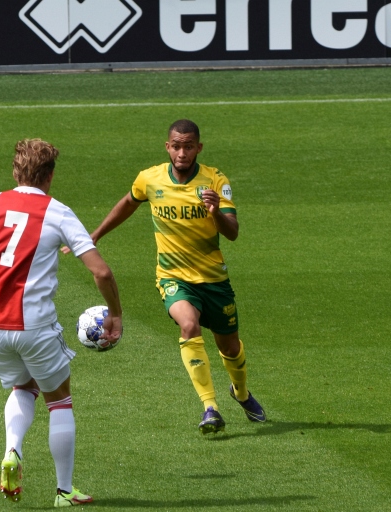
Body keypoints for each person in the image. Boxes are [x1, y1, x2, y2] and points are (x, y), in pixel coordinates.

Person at [0, 139, 123, 507]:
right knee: (60, 400)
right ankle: (64, 490)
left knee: (23, 387)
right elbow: (100, 271)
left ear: (14, 171)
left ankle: (13, 449)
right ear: (50, 175)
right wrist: (115, 312)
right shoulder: (58, 212)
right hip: (34, 326)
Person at [81, 119, 265, 434]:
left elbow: (232, 233)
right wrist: (95, 235)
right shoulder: (149, 179)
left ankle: (241, 392)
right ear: (168, 146)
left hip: (214, 281)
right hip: (173, 278)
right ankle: (210, 407)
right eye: (176, 146)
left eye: (188, 146)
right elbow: (128, 203)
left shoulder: (215, 181)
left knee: (230, 347)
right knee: (188, 325)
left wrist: (216, 212)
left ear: (199, 148)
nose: (182, 153)